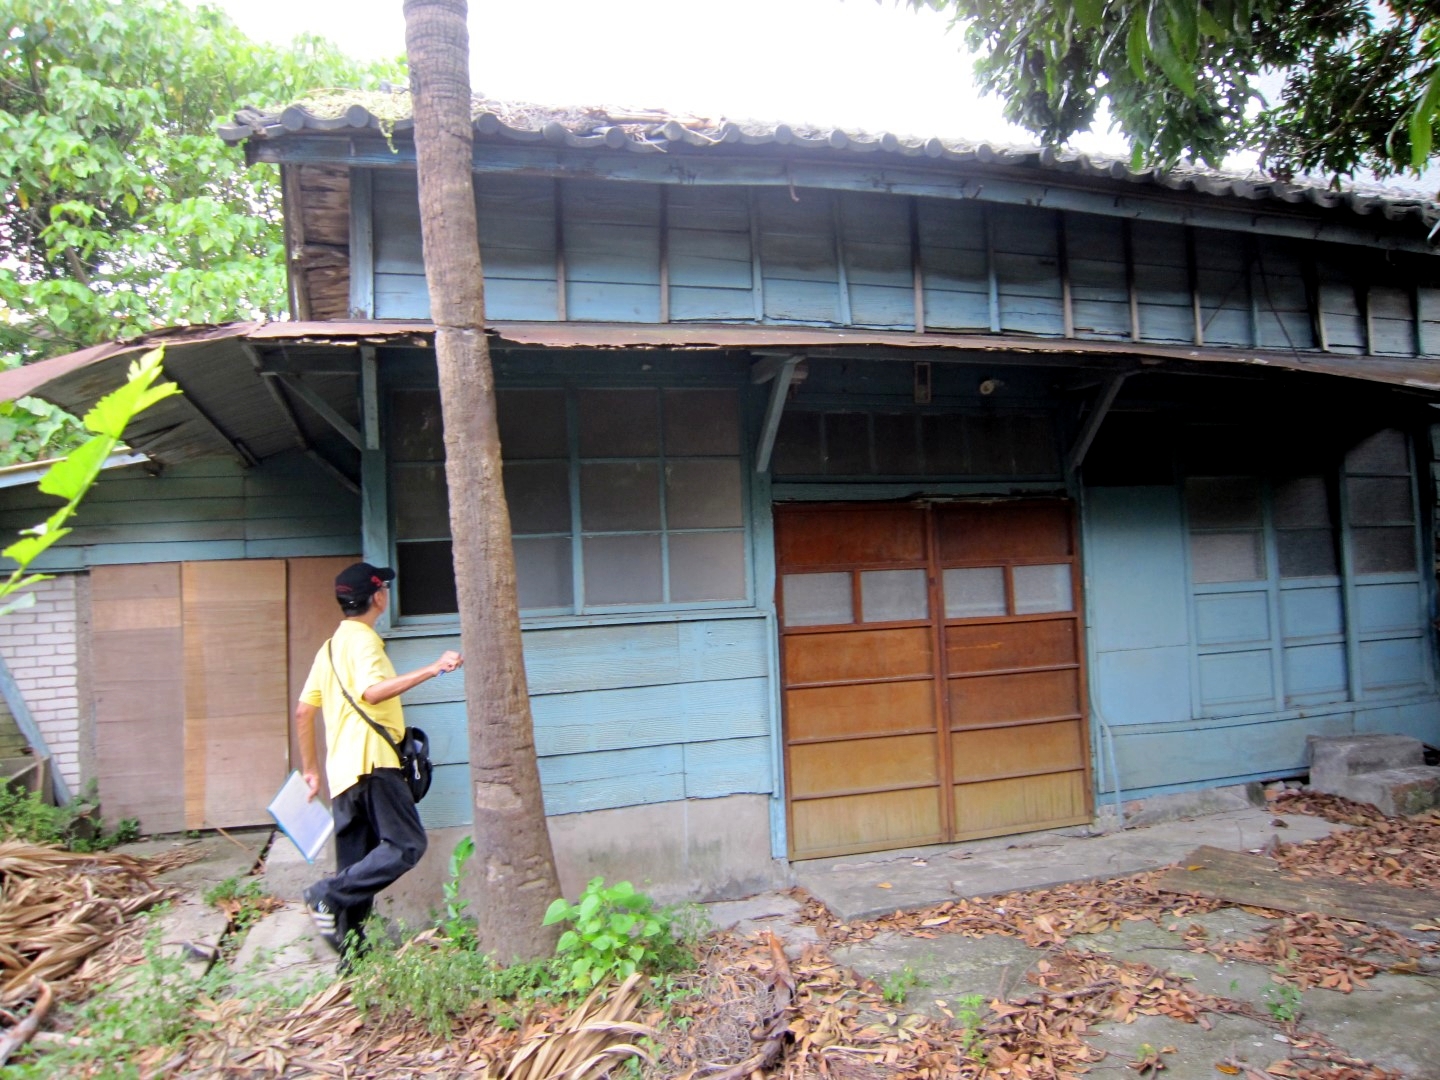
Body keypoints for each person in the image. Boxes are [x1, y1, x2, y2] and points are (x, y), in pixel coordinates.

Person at [295, 561, 462, 964]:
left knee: (356, 872)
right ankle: (325, 894)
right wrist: (433, 668)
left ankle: (353, 962)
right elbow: (372, 693)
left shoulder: (329, 648)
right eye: (384, 588)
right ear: (378, 597)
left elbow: (303, 712)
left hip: (343, 776)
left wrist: (311, 771)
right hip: (374, 764)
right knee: (407, 844)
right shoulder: (364, 641)